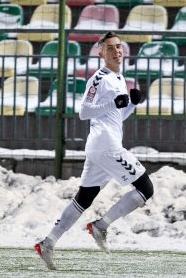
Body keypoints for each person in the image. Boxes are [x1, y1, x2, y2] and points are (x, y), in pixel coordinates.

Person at [34, 31, 154, 270]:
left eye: (119, 47)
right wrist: (114, 102)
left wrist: (131, 104)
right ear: (101, 53)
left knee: (84, 198)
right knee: (145, 189)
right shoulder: (98, 78)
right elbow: (84, 112)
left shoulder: (119, 78)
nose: (116, 51)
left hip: (102, 146)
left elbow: (116, 116)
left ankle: (47, 243)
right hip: (106, 145)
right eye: (110, 48)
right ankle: (101, 226)